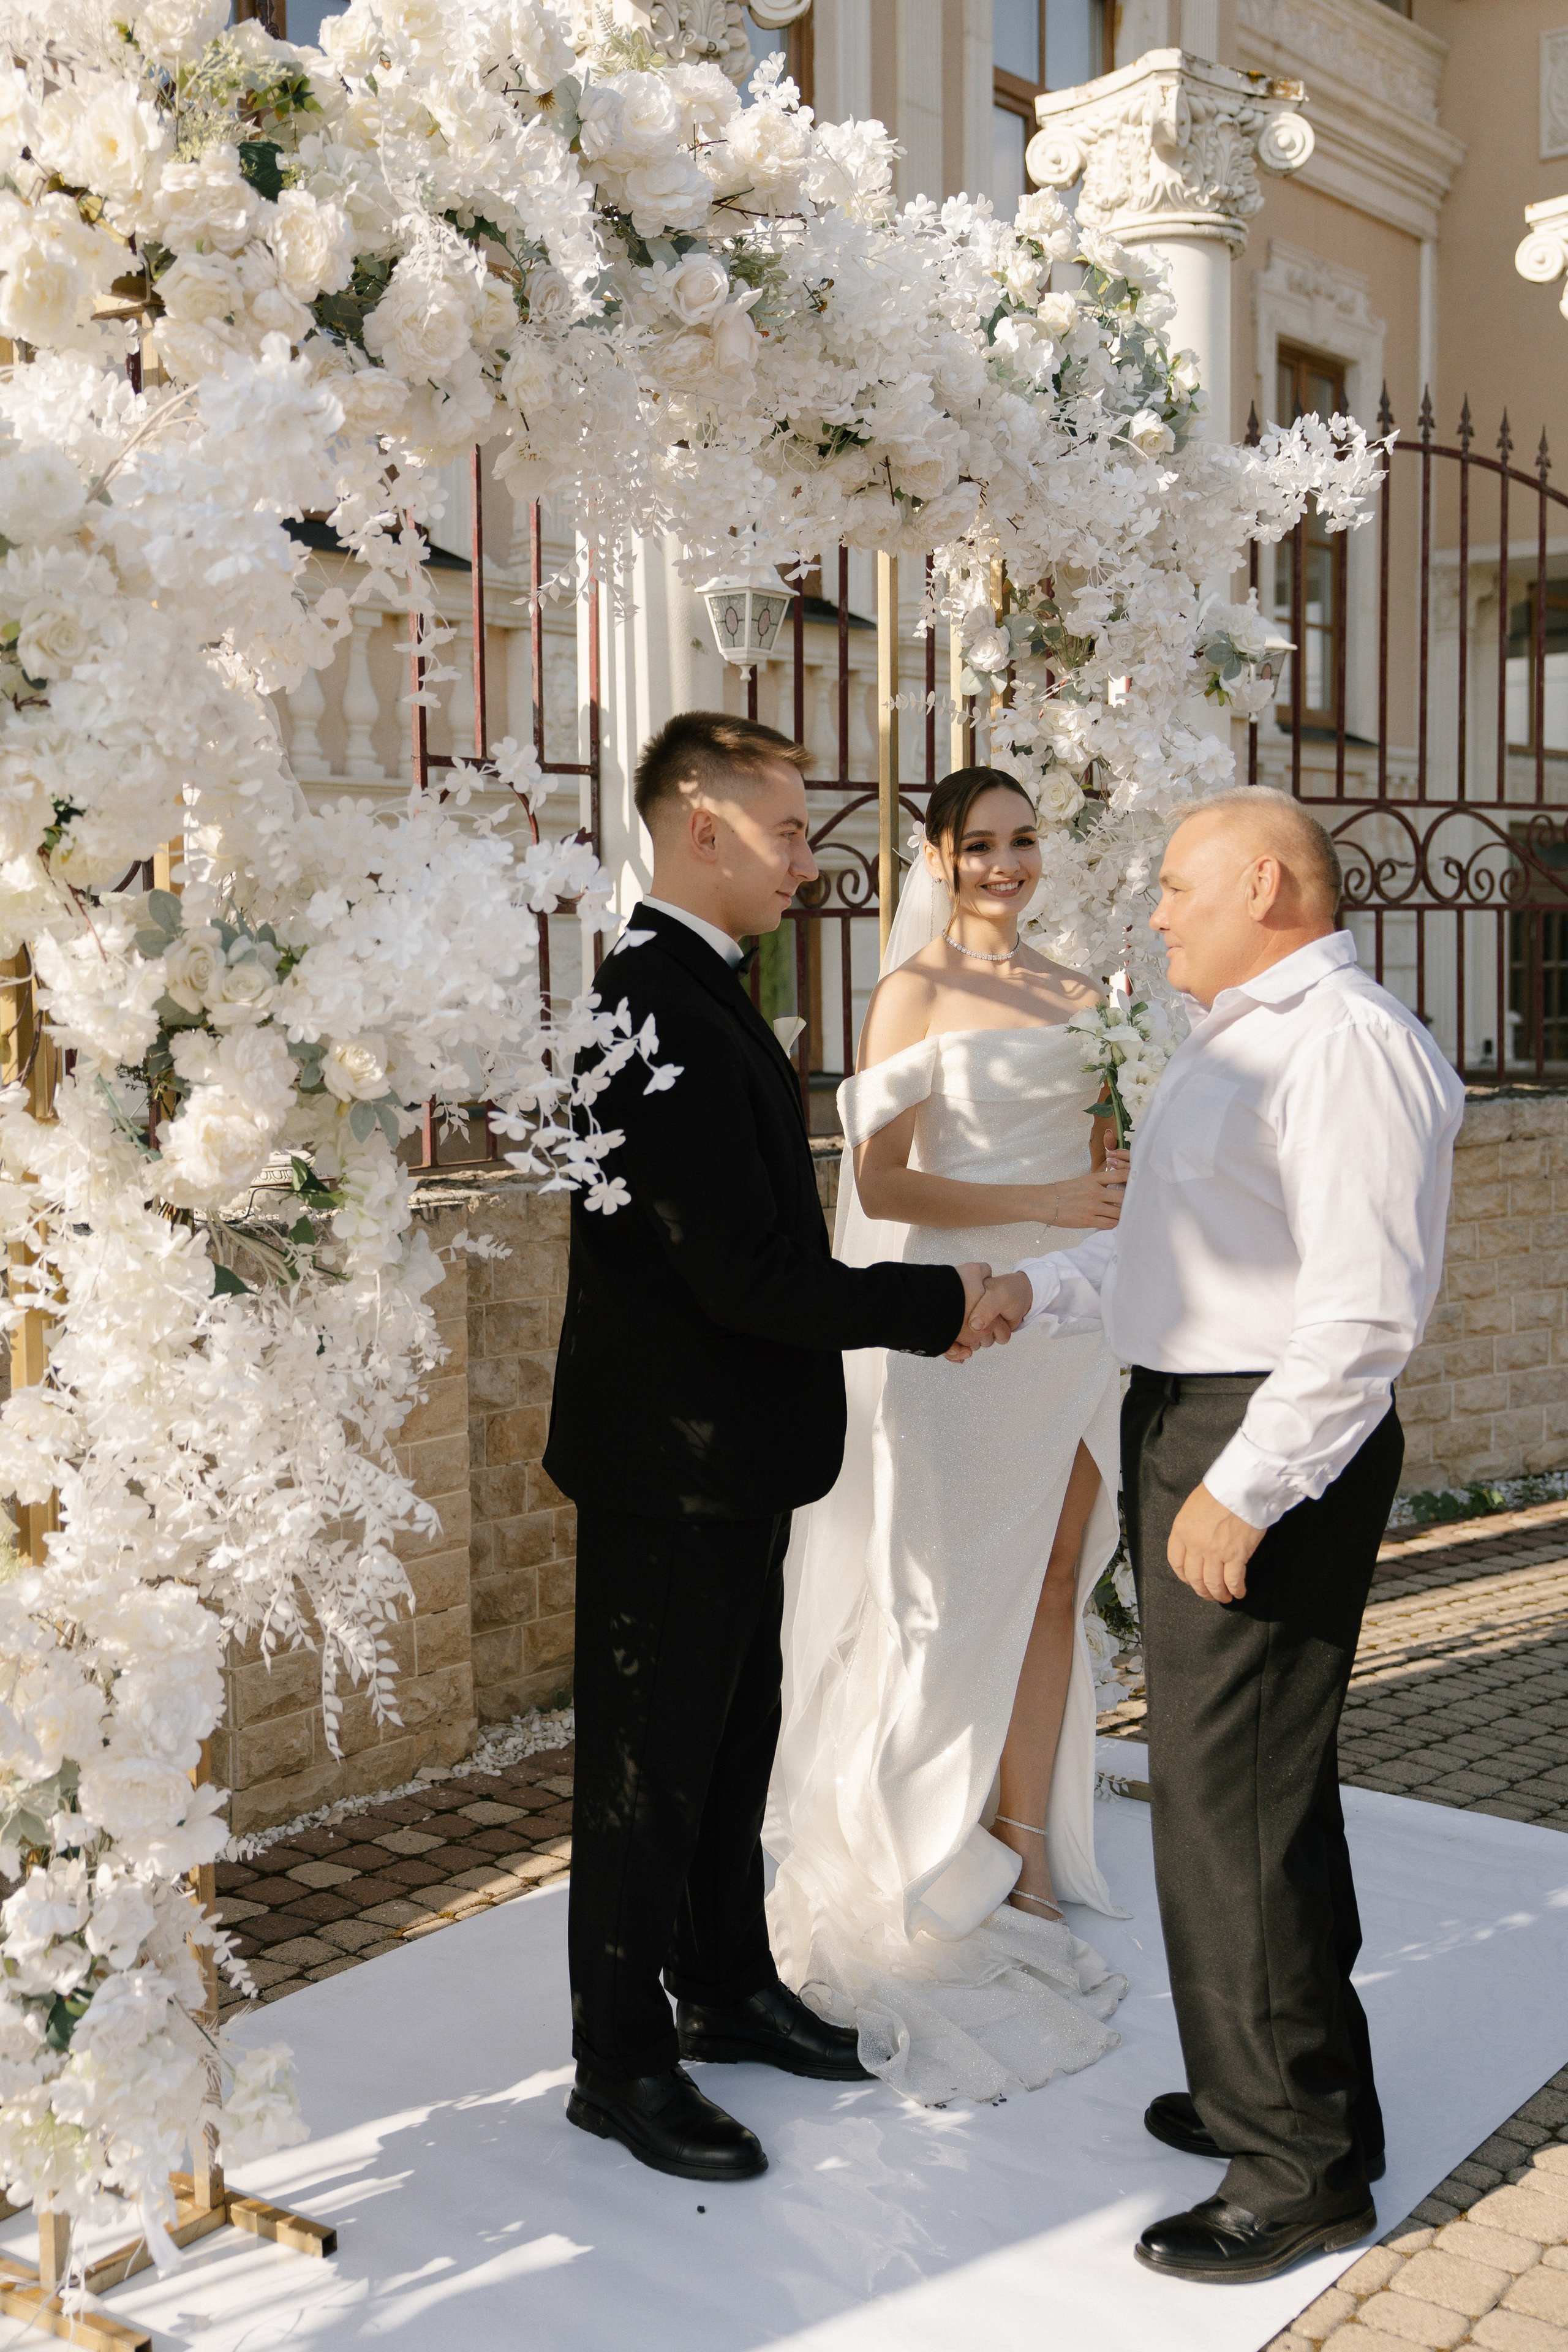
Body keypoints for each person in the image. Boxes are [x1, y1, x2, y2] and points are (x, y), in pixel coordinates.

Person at [969, 786, 1466, 2283]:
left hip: (1261, 1433)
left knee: (1222, 1805)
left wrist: (1244, 1488)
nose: (1156, 911)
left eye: (1178, 887)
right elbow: (1167, 1255)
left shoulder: (1343, 1045)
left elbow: (1363, 1311)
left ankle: (1294, 2172)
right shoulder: (1244, 1038)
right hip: (1197, 1407)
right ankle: (1302, 2101)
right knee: (1257, 1792)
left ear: (1263, 883)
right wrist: (1030, 1297)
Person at [543, 712, 992, 2187]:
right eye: (791, 832)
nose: (813, 860)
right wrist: (943, 1302)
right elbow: (740, 1270)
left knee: (729, 1748)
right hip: (668, 1460)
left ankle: (723, 1987)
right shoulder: (649, 1004)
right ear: (703, 828)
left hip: (730, 1452)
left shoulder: (703, 987)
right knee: (645, 1769)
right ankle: (618, 2062)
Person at [764, 768, 1132, 2108]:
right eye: (978, 844)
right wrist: (1038, 1194)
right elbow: (876, 1177)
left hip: (1072, 1319)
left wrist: (1102, 1185)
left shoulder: (1089, 997)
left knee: (1047, 1583)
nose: (1004, 864)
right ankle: (923, 1850)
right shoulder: (911, 989)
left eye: (1022, 841)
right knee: (939, 1598)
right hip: (956, 1315)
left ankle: (1024, 1852)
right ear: (935, 854)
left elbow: (1108, 1157)